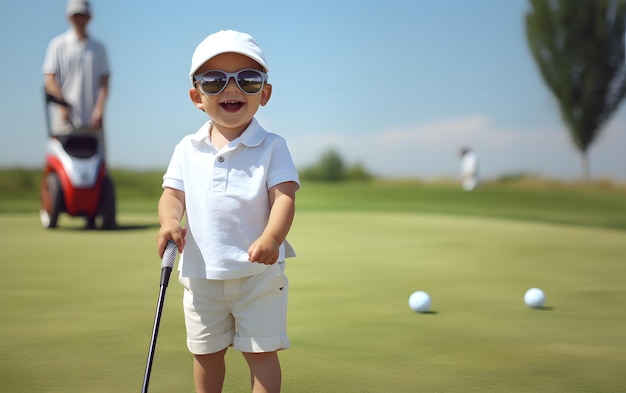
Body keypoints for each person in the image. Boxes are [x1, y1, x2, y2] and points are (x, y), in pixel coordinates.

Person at [156, 30, 300, 393]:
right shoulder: (187, 148)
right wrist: (170, 221)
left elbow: (284, 197)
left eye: (248, 80)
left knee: (262, 353)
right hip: (201, 276)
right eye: (215, 80)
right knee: (206, 354)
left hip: (259, 276)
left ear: (264, 93)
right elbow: (172, 195)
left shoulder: (272, 146)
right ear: (197, 97)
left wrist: (272, 237)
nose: (232, 89)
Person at [42, 0, 110, 151]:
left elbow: (105, 82)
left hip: (92, 122)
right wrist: (62, 106)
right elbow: (49, 80)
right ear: (69, 17)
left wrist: (99, 109)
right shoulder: (57, 45)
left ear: (89, 17)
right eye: (76, 15)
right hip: (64, 122)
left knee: (94, 165)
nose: (79, 19)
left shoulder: (99, 49)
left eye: (82, 15)